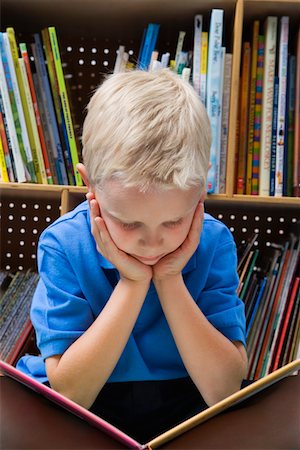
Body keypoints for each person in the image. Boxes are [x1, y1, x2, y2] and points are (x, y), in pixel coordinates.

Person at [17, 69, 248, 442]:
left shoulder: (214, 242)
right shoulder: (63, 244)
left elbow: (223, 390)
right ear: (89, 184)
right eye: (128, 223)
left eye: (174, 220)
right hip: (86, 399)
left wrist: (169, 279)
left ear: (202, 188)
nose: (153, 243)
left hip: (185, 397)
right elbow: (71, 393)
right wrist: (133, 281)